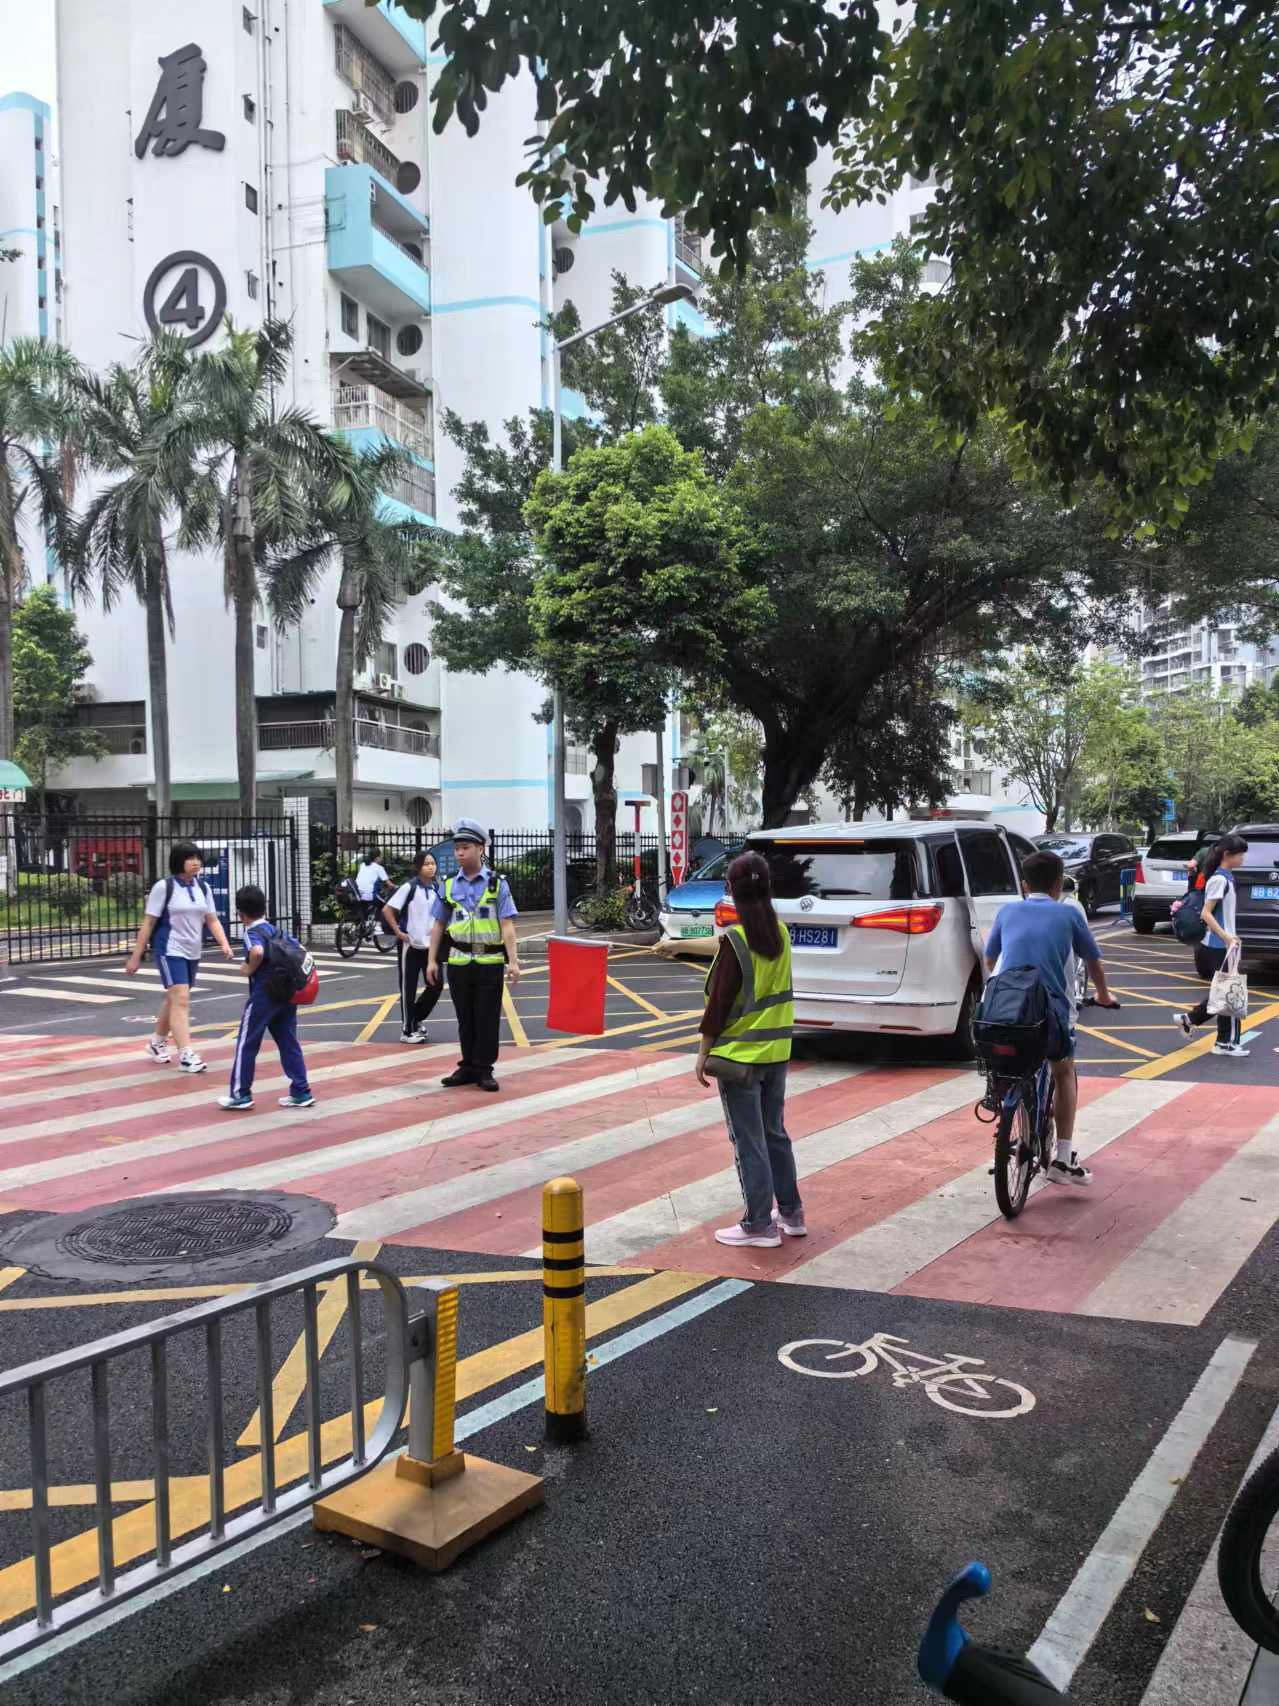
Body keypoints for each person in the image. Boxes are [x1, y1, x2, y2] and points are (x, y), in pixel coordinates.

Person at [984, 850, 1121, 1187]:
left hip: (1002, 1012)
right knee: (1064, 1072)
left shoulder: (1007, 911)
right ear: (1059, 883)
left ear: (1024, 884)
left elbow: (990, 959)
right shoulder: (1068, 913)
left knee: (1012, 1063)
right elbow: (1094, 963)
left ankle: (1008, 1107)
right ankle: (1062, 1158)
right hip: (1049, 1013)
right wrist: (1104, 995)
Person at [696, 851, 803, 1249]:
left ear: (731, 892)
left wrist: (702, 1055)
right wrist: (673, 946)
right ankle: (791, 1214)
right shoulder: (781, 933)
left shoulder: (738, 943)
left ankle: (758, 1224)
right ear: (768, 889)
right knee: (775, 1134)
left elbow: (718, 1006)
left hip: (740, 1060)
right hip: (777, 1053)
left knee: (749, 1142)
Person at [427, 820, 520, 1091]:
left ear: (480, 849)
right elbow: (438, 925)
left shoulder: (497, 884)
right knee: (465, 1017)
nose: (459, 853)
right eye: (457, 848)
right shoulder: (447, 885)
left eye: (465, 847)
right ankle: (467, 1066)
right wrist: (432, 960)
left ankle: (484, 1068)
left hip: (490, 962)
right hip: (458, 961)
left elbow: (507, 925)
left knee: (486, 1017)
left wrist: (513, 962)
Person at [126, 841, 233, 1074]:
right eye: (190, 858)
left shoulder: (203, 888)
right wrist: (136, 956)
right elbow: (149, 923)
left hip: (193, 950)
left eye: (198, 858)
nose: (196, 862)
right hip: (169, 949)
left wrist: (224, 943)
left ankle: (156, 1042)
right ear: (178, 861)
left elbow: (212, 919)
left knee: (174, 998)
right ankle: (186, 1054)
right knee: (181, 998)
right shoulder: (164, 887)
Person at [217, 884, 314, 1111]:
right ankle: (301, 1091)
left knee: (247, 1041)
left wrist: (248, 968)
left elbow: (257, 952)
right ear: (265, 908)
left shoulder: (252, 933)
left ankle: (240, 1094)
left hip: (264, 994)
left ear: (240, 914)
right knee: (288, 1041)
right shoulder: (276, 930)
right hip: (287, 993)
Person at [1173, 833, 1250, 1057]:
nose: (1243, 859)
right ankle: (1225, 1042)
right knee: (1228, 993)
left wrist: (1232, 936)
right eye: (1240, 855)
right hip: (1220, 945)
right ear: (1227, 855)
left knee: (1225, 993)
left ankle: (1196, 1024)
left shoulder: (1226, 878)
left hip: (1227, 944)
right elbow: (1206, 914)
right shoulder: (1219, 880)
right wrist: (1226, 937)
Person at [382, 849, 444, 1044]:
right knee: (408, 988)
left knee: (436, 985)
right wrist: (398, 932)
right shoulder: (409, 887)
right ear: (418, 867)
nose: (431, 867)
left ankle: (415, 1018)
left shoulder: (436, 888)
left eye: (433, 863)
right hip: (410, 946)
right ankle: (407, 1031)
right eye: (426, 864)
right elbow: (387, 910)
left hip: (430, 947)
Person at [353, 848, 389, 923]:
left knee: (364, 908)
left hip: (358, 893)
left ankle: (363, 923)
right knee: (385, 904)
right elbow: (388, 883)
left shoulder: (363, 865)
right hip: (369, 895)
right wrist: (396, 887)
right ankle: (379, 923)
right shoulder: (379, 868)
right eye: (381, 856)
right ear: (377, 858)